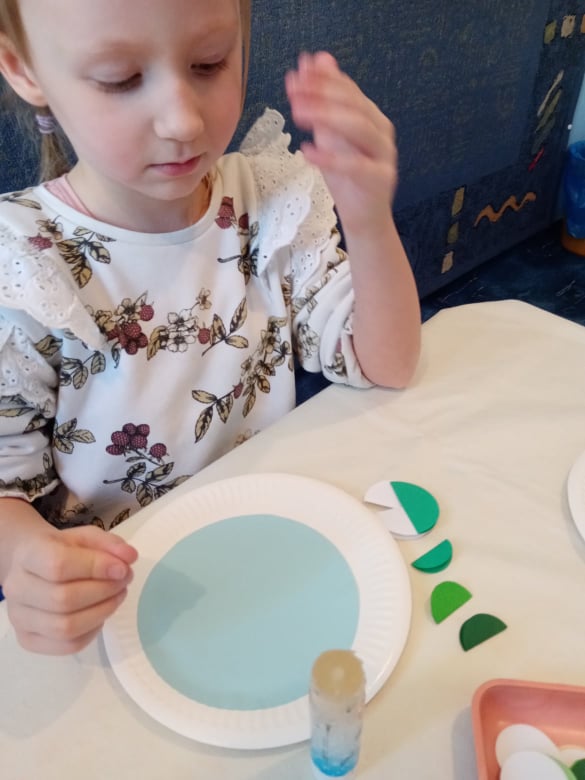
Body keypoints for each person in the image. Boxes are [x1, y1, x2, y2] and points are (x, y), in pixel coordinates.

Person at [0, 0, 421, 655]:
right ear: (22, 67)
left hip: (280, 553)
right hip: (132, 609)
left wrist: (368, 218)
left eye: (208, 63)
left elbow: (385, 362)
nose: (183, 121)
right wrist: (24, 558)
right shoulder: (22, 267)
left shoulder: (271, 204)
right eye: (119, 79)